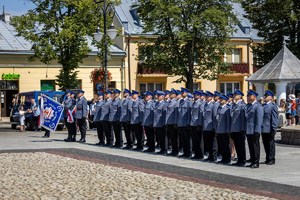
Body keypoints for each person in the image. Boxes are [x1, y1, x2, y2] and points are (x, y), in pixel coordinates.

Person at [245, 89, 263, 168]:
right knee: (250, 146)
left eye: (249, 96)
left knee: (255, 146)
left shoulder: (257, 106)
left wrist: (257, 130)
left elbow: (259, 119)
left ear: (254, 97)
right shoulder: (249, 106)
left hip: (254, 130)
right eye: (247, 96)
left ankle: (256, 162)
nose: (248, 97)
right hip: (248, 130)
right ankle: (252, 160)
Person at [261, 90, 278, 165]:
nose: (265, 97)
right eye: (265, 95)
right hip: (263, 128)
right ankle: (267, 158)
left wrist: (274, 128)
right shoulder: (263, 105)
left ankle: (272, 159)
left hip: (270, 128)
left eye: (266, 96)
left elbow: (274, 118)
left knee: (271, 144)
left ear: (271, 98)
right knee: (265, 144)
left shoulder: (273, 106)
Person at [230, 89, 246, 167]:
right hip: (234, 129)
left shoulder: (242, 105)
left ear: (239, 96)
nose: (233, 96)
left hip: (239, 129)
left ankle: (242, 160)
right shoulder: (234, 105)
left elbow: (243, 118)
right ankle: (239, 160)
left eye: (235, 95)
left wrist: (243, 129)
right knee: (237, 145)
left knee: (241, 146)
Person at [215, 94, 231, 164]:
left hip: (224, 130)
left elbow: (228, 121)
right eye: (220, 99)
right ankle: (223, 158)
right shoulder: (219, 108)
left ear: (226, 100)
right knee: (221, 145)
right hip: (219, 129)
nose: (220, 100)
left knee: (225, 145)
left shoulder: (227, 108)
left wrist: (227, 130)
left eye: (222, 99)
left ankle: (227, 158)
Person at [177, 87, 192, 158]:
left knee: (187, 139)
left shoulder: (189, 101)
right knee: (183, 139)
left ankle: (188, 152)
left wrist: (188, 123)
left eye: (183, 92)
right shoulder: (181, 101)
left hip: (186, 123)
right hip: (181, 123)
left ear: (186, 93)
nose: (182, 93)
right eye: (181, 92)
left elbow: (189, 113)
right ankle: (185, 152)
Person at [190, 90, 204, 160]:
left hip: (197, 124)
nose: (194, 96)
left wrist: (200, 124)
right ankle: (196, 154)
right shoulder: (194, 103)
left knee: (198, 141)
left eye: (196, 95)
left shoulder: (200, 103)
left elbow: (201, 115)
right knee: (194, 140)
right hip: (193, 123)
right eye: (194, 95)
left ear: (198, 96)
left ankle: (200, 154)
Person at [203, 91, 216, 162]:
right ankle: (210, 156)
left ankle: (213, 156)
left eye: (207, 96)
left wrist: (214, 127)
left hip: (210, 127)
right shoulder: (205, 105)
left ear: (211, 98)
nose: (206, 97)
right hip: (206, 127)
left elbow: (214, 117)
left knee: (212, 143)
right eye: (206, 96)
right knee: (208, 143)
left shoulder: (212, 105)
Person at [166, 89, 179, 156]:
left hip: (173, 123)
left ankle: (175, 151)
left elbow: (176, 114)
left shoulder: (175, 102)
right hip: (169, 122)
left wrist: (175, 122)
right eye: (170, 93)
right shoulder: (169, 102)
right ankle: (173, 150)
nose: (170, 95)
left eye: (171, 94)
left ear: (174, 95)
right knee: (171, 137)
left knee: (174, 138)